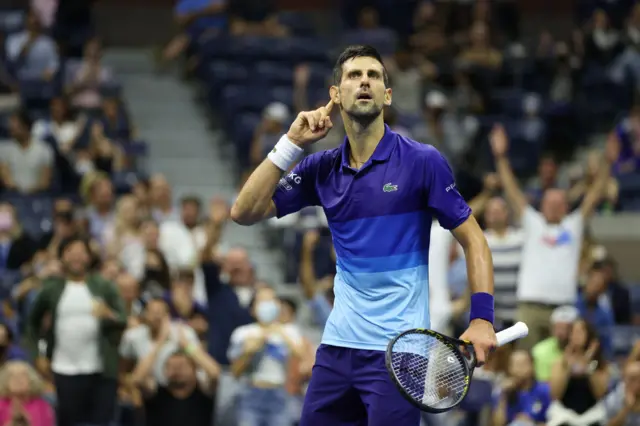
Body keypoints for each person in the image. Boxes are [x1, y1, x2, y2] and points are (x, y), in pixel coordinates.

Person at [231, 44, 498, 425]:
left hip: (400, 354)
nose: (365, 82)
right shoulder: (320, 169)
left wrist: (482, 319)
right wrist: (291, 144)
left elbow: (475, 241)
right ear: (335, 94)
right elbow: (244, 211)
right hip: (337, 349)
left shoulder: (423, 162)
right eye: (354, 76)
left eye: (373, 76)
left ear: (387, 95)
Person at [490, 124, 612, 351]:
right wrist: (500, 157)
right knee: (524, 360)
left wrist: (608, 163)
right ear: (542, 205)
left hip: (564, 309)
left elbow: (595, 195)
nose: (554, 207)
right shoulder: (532, 222)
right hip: (530, 307)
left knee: (560, 363)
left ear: (566, 207)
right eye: (550, 203)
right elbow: (511, 189)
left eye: (559, 203)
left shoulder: (573, 225)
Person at [27, 236, 126, 426]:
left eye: (81, 252)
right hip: (64, 369)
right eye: (70, 252)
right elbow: (32, 323)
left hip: (101, 370)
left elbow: (123, 319)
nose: (76, 258)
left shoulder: (103, 286)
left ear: (89, 257)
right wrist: (37, 355)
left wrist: (109, 315)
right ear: (62, 257)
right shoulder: (52, 289)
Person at [131, 323, 220, 426]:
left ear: (194, 369)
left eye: (182, 366)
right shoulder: (156, 394)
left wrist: (188, 346)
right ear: (164, 371)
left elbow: (215, 373)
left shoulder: (204, 393)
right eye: (171, 366)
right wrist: (159, 343)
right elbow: (137, 379)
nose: (177, 371)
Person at [492, 350, 552, 426]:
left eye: (523, 364)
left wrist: (532, 423)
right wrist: (503, 396)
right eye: (515, 364)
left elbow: (554, 422)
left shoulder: (545, 390)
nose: (519, 369)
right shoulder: (504, 392)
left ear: (532, 366)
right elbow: (498, 424)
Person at [0, 361, 55, 426]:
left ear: (31, 380)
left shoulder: (42, 406)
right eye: (12, 375)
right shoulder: (1, 405)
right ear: (4, 381)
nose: (18, 379)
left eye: (23, 375)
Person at [604, 361, 640, 426]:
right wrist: (626, 409)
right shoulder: (613, 400)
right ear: (624, 379)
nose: (638, 383)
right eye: (633, 379)